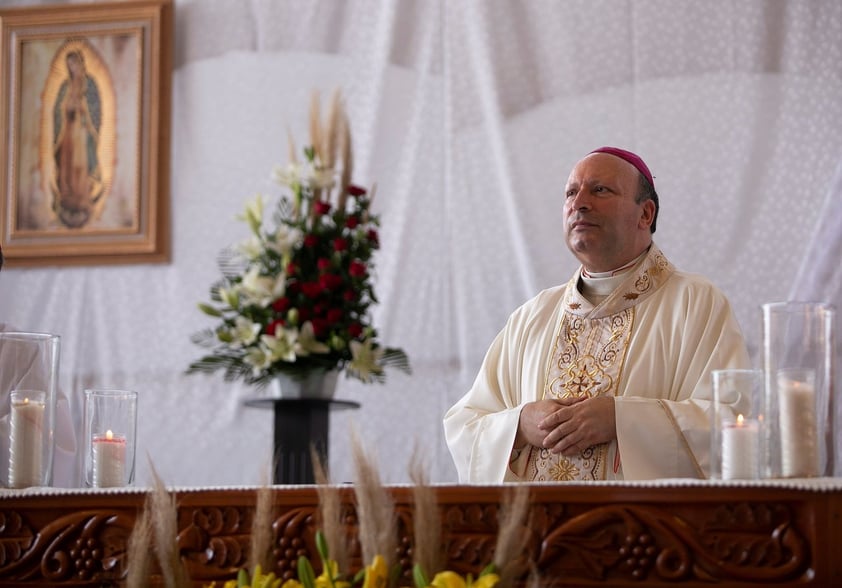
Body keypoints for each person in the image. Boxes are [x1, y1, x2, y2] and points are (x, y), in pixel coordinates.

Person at [443, 146, 750, 483]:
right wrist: (519, 425)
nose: (580, 202)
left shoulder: (695, 304)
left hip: (643, 532)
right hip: (538, 531)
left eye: (600, 190)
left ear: (645, 215)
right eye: (571, 193)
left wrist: (620, 419)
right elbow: (465, 425)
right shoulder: (532, 317)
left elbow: (733, 425)